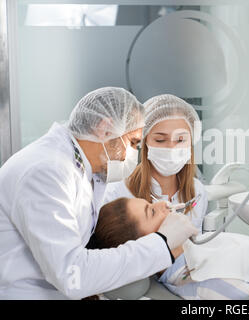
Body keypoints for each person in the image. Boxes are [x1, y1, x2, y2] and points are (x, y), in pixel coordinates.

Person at [0, 87, 198, 299]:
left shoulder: (82, 170)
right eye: (132, 143)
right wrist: (162, 244)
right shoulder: (47, 172)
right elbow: (72, 275)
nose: (132, 154)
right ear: (105, 129)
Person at [94, 197, 249, 299]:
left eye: (150, 202)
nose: (162, 203)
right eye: (152, 211)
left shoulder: (198, 251)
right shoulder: (205, 282)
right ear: (145, 246)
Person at [103, 94, 208, 233]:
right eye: (160, 140)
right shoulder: (115, 194)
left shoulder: (197, 191)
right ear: (145, 142)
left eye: (181, 140)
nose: (171, 148)